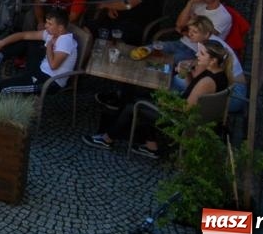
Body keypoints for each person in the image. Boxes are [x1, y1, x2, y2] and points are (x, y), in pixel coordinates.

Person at [86, 40, 232, 158]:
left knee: (135, 105)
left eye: (202, 54)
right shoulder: (216, 74)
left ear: (212, 60)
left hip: (181, 121)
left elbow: (186, 108)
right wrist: (186, 73)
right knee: (144, 98)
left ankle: (107, 139)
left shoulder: (207, 82)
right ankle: (151, 146)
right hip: (192, 116)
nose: (197, 55)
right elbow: (191, 91)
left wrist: (165, 103)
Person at [0, 7, 80, 95]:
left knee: (3, 88)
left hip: (49, 81)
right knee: (27, 41)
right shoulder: (52, 33)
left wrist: (49, 46)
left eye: (50, 24)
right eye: (46, 22)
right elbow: (24, 35)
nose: (46, 26)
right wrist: (1, 43)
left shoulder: (66, 41)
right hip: (40, 69)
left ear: (60, 28)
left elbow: (53, 65)